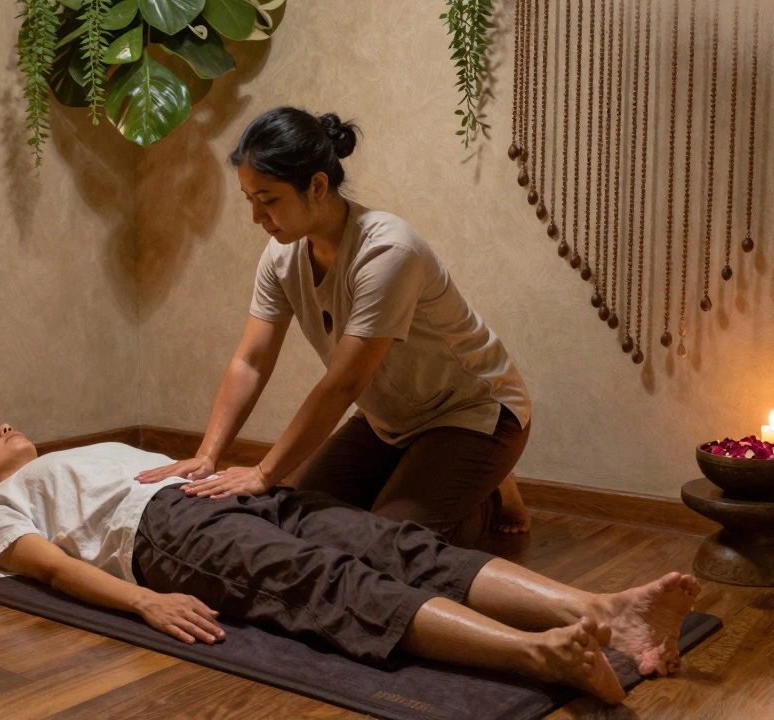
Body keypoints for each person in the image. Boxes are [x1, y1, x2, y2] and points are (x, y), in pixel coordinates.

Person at [0, 424, 700, 705]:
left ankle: (602, 610)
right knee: (335, 586)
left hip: (218, 490)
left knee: (397, 546)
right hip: (164, 535)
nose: (1, 425)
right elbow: (53, 572)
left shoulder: (73, 451)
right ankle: (541, 654)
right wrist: (144, 604)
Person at [135, 107, 534, 547]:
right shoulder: (281, 257)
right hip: (391, 420)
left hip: (474, 413)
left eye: (268, 200)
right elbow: (250, 361)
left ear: (318, 186)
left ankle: (489, 492)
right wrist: (207, 456)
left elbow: (342, 383)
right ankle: (443, 476)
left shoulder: (387, 251)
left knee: (390, 545)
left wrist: (265, 471)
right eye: (250, 200)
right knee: (295, 520)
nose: (257, 218)